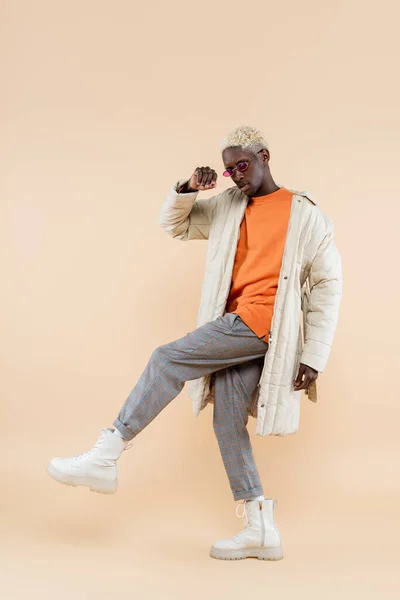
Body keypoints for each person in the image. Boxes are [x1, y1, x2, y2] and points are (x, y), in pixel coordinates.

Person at [46, 125, 342, 561]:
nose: (237, 175)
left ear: (264, 156)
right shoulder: (226, 205)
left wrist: (314, 355)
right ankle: (261, 528)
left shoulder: (304, 213)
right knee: (226, 421)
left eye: (243, 165)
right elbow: (175, 224)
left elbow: (327, 284)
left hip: (264, 324)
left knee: (167, 359)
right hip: (238, 322)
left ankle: (107, 454)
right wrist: (187, 189)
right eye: (228, 171)